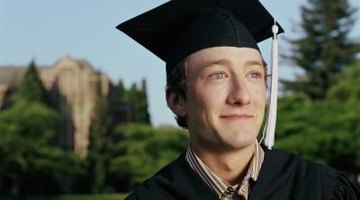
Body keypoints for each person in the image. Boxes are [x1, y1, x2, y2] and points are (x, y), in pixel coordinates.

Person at [117, 0, 360, 199]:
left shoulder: (322, 190)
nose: (242, 96)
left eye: (254, 74)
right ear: (177, 100)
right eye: (218, 75)